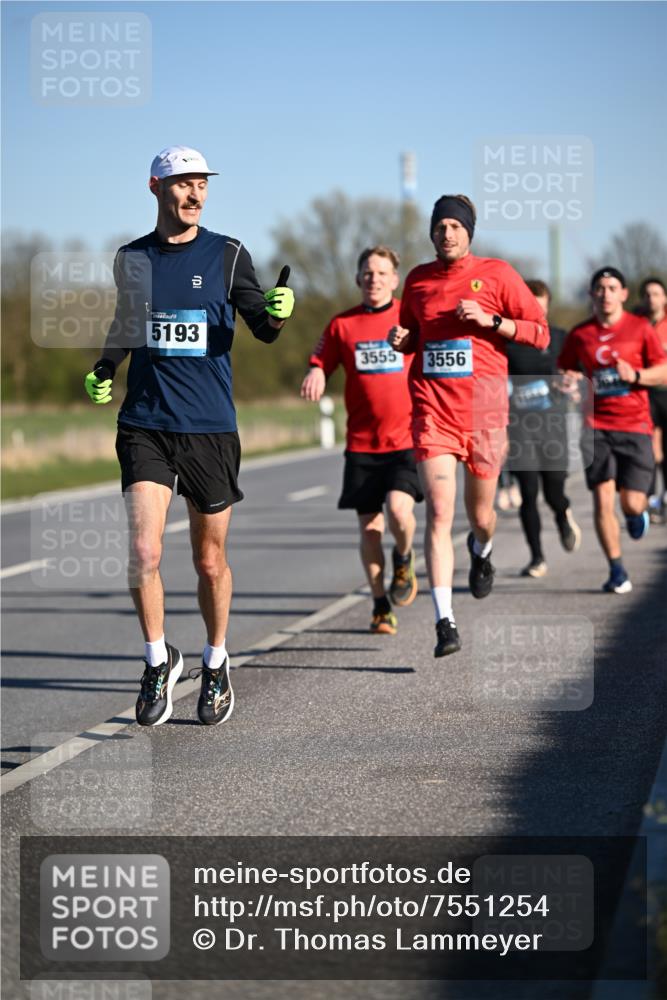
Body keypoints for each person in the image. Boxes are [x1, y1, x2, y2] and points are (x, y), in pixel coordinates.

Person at [84, 145, 294, 726]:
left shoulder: (227, 254)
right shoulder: (132, 257)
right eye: (182, 184)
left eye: (202, 183)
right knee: (145, 550)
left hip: (209, 430)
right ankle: (157, 659)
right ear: (155, 188)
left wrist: (277, 311)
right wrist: (105, 367)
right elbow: (127, 323)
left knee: (208, 560)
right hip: (145, 424)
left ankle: (217, 659)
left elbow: (263, 326)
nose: (195, 193)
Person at [388, 194, 549, 657]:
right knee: (439, 513)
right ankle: (445, 621)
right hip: (432, 411)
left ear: (468, 232)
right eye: (440, 226)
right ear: (431, 232)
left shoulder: (497, 274)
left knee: (480, 517)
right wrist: (402, 340)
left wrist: (493, 320)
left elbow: (538, 332)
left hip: (484, 413)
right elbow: (411, 336)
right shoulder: (417, 281)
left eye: (455, 226)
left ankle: (482, 551)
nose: (447, 233)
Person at [301, 246, 421, 635]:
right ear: (358, 279)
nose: (374, 279)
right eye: (368, 273)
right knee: (370, 529)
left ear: (395, 279)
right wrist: (317, 371)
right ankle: (380, 605)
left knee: (401, 513)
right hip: (362, 445)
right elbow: (321, 358)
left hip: (404, 439)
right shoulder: (342, 324)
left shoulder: (409, 317)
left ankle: (403, 557)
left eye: (382, 273)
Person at [558, 267, 667, 594]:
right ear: (592, 294)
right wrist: (569, 381)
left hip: (635, 426)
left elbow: (662, 371)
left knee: (632, 503)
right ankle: (616, 569)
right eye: (600, 288)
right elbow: (566, 368)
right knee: (603, 499)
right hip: (595, 427)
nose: (606, 293)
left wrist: (634, 375)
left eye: (612, 288)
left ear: (623, 294)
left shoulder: (640, 328)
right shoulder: (579, 335)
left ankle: (637, 514)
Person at [506, 278, 581, 577]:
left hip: (553, 427)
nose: (535, 309)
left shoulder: (560, 338)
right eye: (529, 303)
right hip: (520, 428)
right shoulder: (507, 342)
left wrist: (573, 379)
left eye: (541, 303)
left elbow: (580, 369)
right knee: (528, 494)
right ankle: (537, 557)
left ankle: (563, 515)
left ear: (548, 306)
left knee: (553, 493)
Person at [638, 277, 667, 522]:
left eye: (656, 294)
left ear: (664, 298)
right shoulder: (636, 325)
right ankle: (647, 501)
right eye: (647, 294)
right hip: (645, 394)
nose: (652, 298)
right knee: (648, 450)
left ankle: (665, 499)